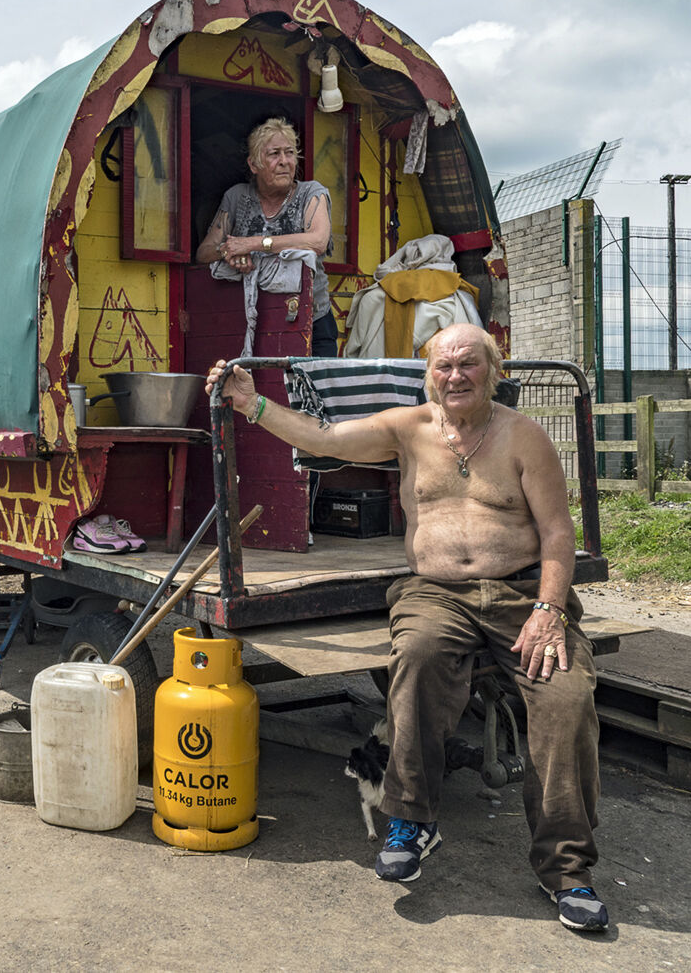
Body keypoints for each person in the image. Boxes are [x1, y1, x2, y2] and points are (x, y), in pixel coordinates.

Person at [204, 322, 609, 932]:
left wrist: (549, 611)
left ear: (493, 370)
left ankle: (568, 870)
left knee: (566, 696)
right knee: (415, 662)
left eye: (468, 364)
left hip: (521, 592)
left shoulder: (524, 438)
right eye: (443, 366)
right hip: (434, 593)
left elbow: (557, 534)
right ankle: (411, 822)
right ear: (429, 374)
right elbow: (325, 436)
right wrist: (249, 401)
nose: (455, 376)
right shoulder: (408, 429)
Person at [195, 118, 338, 357]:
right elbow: (204, 252)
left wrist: (253, 244)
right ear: (254, 164)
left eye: (290, 153)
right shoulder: (237, 197)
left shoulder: (311, 193)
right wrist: (230, 252)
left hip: (311, 322)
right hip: (255, 322)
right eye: (274, 154)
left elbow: (317, 241)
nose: (284, 161)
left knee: (315, 393)